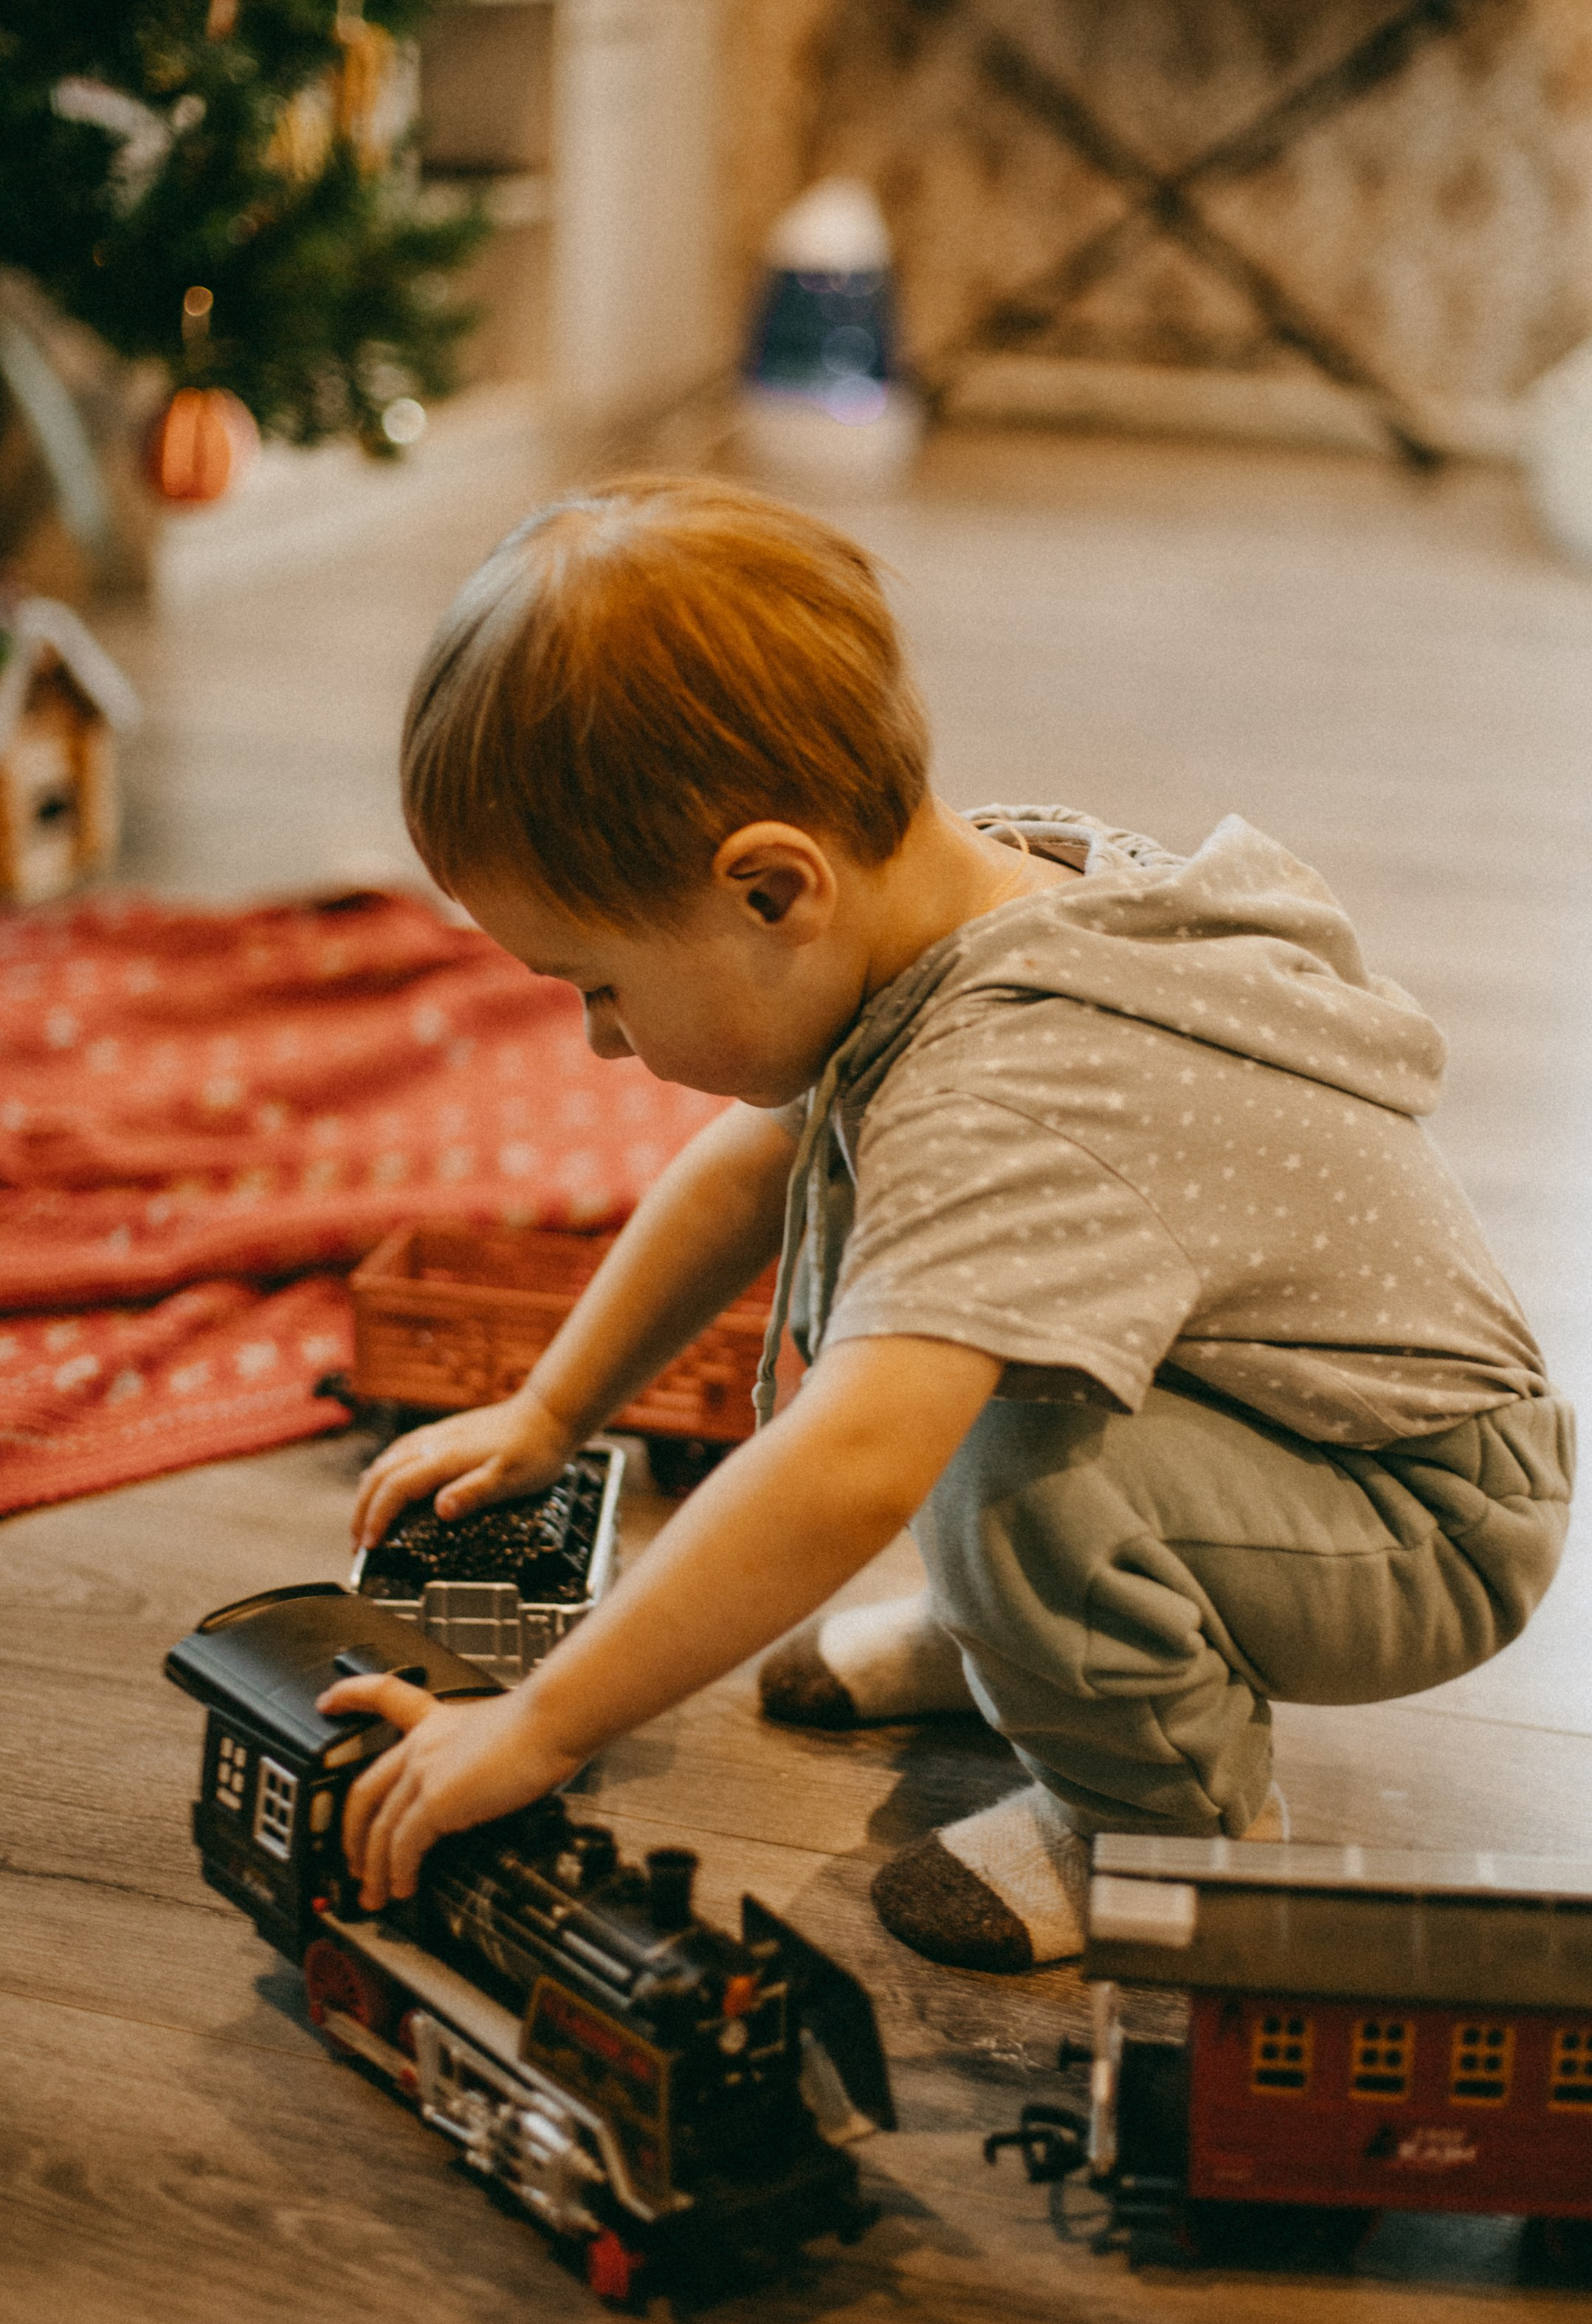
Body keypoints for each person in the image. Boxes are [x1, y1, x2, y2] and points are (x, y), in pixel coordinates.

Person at [320, 474, 1573, 1974]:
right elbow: (750, 1171)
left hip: (1419, 1522)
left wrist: (535, 1724)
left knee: (988, 1464)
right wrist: (550, 1406)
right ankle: (1035, 1646)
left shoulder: (1008, 1093)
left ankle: (1147, 1832)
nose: (596, 1040)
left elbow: (844, 1475)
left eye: (595, 985)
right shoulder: (957, 888)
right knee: (960, 1386)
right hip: (1296, 1426)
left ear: (774, 887)